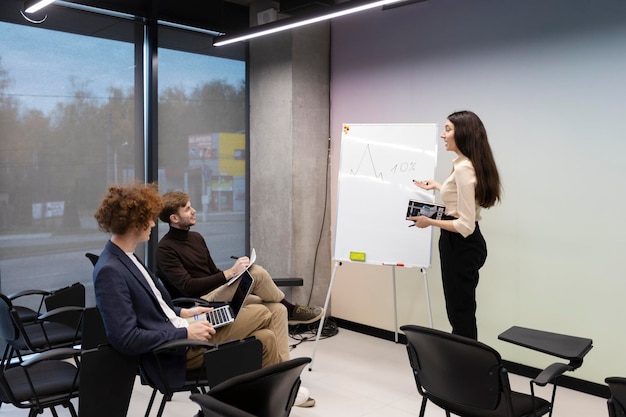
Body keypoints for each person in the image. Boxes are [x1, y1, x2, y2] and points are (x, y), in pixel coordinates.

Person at [92, 182, 281, 394]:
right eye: (149, 219)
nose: (153, 225)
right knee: (264, 313)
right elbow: (126, 339)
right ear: (135, 224)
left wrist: (183, 312)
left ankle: (270, 397)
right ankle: (270, 391)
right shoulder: (110, 270)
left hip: (181, 327)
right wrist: (185, 332)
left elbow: (151, 308)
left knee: (267, 338)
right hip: (174, 351)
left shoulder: (126, 257)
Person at [156, 190, 321, 407]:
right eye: (187, 208)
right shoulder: (165, 249)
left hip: (215, 293)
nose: (194, 210)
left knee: (275, 309)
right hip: (197, 303)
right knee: (258, 273)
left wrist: (233, 276)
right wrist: (229, 274)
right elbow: (187, 287)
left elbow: (212, 271)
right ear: (174, 218)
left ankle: (288, 380)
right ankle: (290, 308)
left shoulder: (196, 238)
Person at [408, 110, 501, 340]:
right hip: (463, 245)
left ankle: (469, 367)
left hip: (460, 245)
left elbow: (465, 225)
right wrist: (439, 186)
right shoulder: (465, 163)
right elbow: (461, 202)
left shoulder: (463, 168)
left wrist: (428, 221)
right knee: (461, 310)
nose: (443, 135)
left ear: (464, 133)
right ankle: (467, 363)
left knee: (460, 313)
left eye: (448, 129)